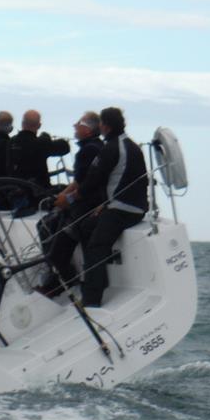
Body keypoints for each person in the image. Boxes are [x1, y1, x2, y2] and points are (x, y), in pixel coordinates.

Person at [52, 107, 149, 307]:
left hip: (123, 210)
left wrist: (68, 200)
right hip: (133, 206)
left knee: (97, 245)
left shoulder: (112, 148)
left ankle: (91, 299)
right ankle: (97, 281)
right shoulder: (131, 145)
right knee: (86, 227)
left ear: (105, 126)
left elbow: (92, 182)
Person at [37, 111, 104, 296]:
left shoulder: (90, 150)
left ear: (88, 130)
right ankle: (57, 275)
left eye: (78, 123)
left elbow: (88, 185)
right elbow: (79, 180)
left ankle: (62, 277)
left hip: (86, 206)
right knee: (48, 224)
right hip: (83, 202)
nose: (74, 125)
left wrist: (67, 199)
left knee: (48, 229)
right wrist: (62, 196)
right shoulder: (91, 148)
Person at [10, 110, 70, 189]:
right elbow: (65, 147)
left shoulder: (11, 142)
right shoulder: (42, 143)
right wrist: (46, 137)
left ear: (22, 123)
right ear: (39, 125)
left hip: (15, 189)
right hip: (39, 192)